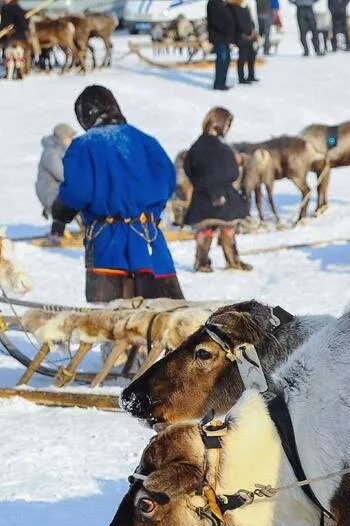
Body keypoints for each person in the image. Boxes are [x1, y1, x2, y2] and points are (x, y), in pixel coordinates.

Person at [51, 86, 183, 303]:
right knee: (162, 321)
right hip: (149, 240)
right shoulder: (146, 141)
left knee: (113, 323)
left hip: (109, 242)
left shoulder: (85, 145)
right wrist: (147, 212)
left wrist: (61, 211)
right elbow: (167, 181)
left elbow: (77, 191)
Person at [184, 108, 252, 272]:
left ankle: (202, 262)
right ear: (220, 125)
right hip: (223, 196)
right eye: (228, 124)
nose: (228, 129)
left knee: (206, 230)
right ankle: (233, 260)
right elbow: (232, 173)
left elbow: (189, 169)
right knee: (227, 228)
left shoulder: (196, 146)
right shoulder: (223, 149)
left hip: (202, 196)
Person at [36, 123, 77, 245]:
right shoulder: (51, 153)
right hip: (49, 191)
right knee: (66, 203)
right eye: (70, 137)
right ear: (62, 138)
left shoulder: (62, 151)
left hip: (58, 189)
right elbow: (63, 175)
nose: (72, 140)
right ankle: (56, 234)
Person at [206, 0, 235, 90]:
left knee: (226, 60)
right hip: (219, 36)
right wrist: (226, 31)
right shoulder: (213, 3)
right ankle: (218, 84)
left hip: (225, 38)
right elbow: (216, 21)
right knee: (222, 60)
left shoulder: (222, 3)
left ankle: (222, 82)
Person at [229, 0, 258, 83]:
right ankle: (241, 78)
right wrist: (246, 31)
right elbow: (238, 22)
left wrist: (252, 30)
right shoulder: (235, 8)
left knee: (251, 56)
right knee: (242, 57)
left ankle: (251, 75)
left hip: (250, 36)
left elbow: (250, 20)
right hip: (241, 36)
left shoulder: (246, 7)